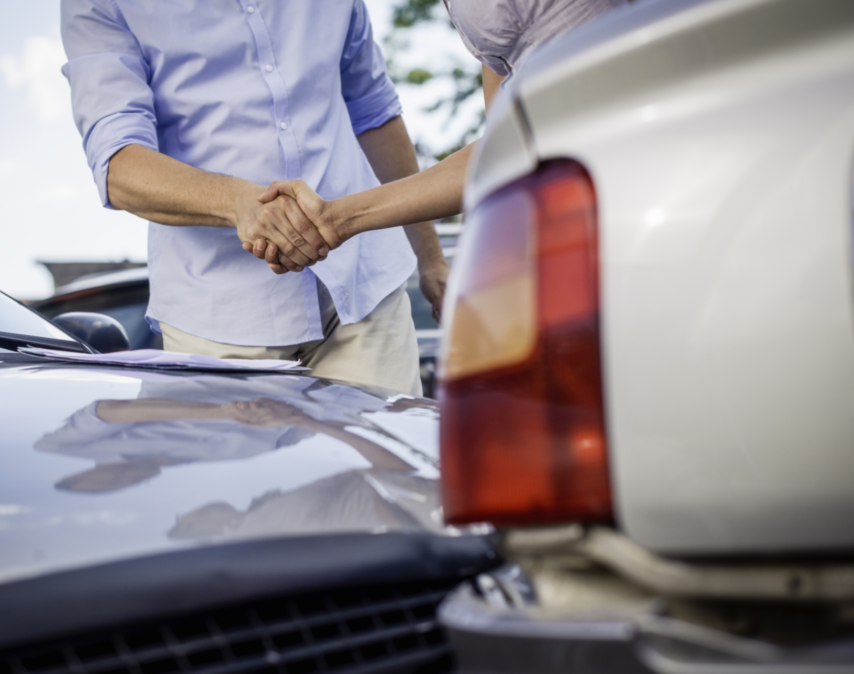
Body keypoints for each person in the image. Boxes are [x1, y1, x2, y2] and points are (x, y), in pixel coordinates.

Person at [60, 1, 449, 395]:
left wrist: (430, 258)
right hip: (218, 326)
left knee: (391, 456)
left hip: (366, 295)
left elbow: (373, 111)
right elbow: (119, 166)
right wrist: (237, 202)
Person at [251, 0, 627, 270]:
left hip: (633, 154)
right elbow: (506, 136)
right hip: (567, 192)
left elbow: (564, 117)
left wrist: (338, 218)